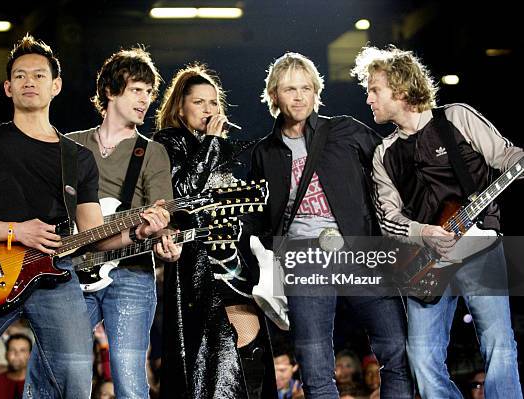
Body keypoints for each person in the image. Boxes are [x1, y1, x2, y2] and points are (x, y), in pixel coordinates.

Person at [0, 34, 169, 399]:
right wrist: (18, 231)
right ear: (8, 87)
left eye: (40, 75)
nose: (30, 81)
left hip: (56, 279)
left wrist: (138, 235)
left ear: (55, 86)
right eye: (21, 75)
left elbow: (94, 235)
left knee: (75, 381)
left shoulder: (77, 158)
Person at [351, 45, 523, 399]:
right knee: (423, 362)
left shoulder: (457, 118)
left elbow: (506, 155)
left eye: (374, 89)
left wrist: (520, 160)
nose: (368, 99)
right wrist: (422, 231)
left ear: (399, 89)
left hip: (480, 247)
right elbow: (388, 218)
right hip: (424, 263)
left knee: (499, 344)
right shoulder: (384, 154)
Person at [245, 52, 413, 399]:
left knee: (398, 347)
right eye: (290, 89)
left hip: (359, 249)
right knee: (314, 361)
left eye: (306, 88)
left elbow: (392, 169)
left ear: (316, 92)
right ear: (274, 95)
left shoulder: (345, 130)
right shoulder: (265, 152)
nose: (299, 96)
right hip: (303, 255)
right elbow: (258, 217)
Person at [153, 64, 275, 398]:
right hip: (198, 269)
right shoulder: (167, 142)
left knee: (250, 350)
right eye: (199, 102)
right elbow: (182, 192)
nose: (209, 110)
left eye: (213, 103)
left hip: (235, 266)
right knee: (208, 364)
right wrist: (211, 143)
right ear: (180, 107)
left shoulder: (222, 149)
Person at [66, 47, 180, 398]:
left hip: (130, 273)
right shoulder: (70, 145)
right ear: (111, 91)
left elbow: (162, 216)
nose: (146, 99)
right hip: (68, 271)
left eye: (150, 92)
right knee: (57, 370)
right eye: (137, 90)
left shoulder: (152, 152)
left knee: (130, 380)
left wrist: (164, 235)